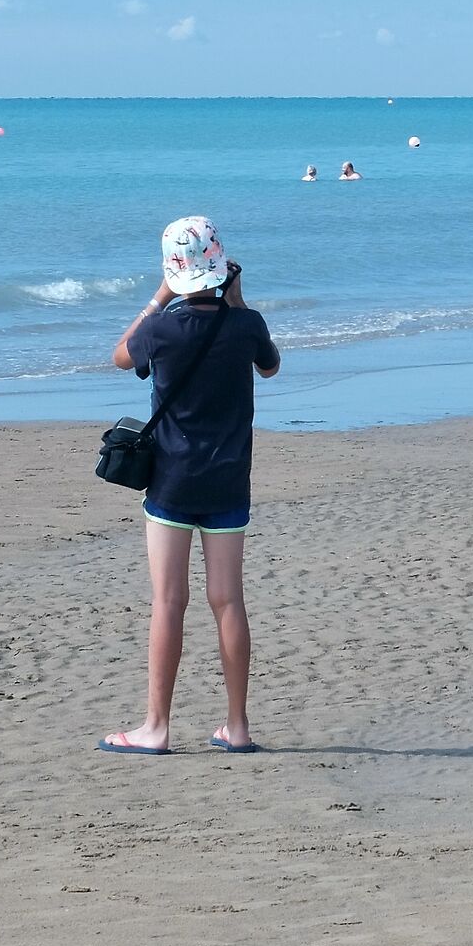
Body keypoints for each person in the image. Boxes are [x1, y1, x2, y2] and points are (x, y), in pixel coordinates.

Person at [99, 216, 282, 756]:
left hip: (172, 482)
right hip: (229, 480)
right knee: (229, 602)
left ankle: (155, 727)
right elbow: (269, 368)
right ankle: (238, 726)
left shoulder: (161, 328)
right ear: (221, 266)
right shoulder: (245, 325)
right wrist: (239, 299)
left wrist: (157, 298)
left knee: (168, 603)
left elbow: (119, 356)